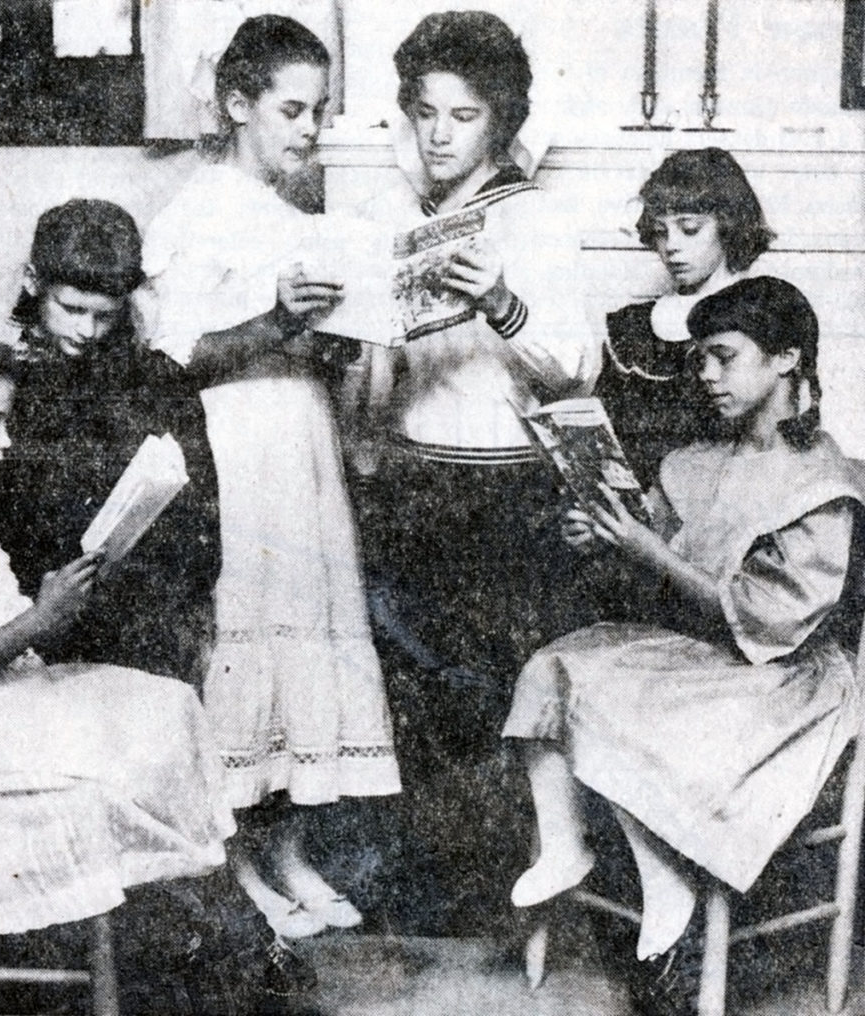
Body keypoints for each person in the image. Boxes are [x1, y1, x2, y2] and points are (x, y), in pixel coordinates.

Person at [0, 331, 306, 1013]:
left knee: (165, 704)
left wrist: (55, 606)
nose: (6, 442)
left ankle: (217, 938)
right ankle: (221, 950)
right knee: (120, 742)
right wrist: (45, 617)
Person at [502, 278, 863, 995]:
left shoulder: (824, 483)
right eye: (700, 360)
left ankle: (666, 879)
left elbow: (770, 619)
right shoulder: (698, 460)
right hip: (700, 654)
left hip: (780, 676)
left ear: (788, 359)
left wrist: (647, 550)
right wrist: (607, 537)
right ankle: (569, 848)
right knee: (554, 664)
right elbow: (667, 549)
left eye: (724, 358)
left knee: (644, 710)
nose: (707, 376)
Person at [142, 14, 401, 939]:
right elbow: (174, 362)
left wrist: (345, 331)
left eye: (320, 112)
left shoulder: (303, 222)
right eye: (291, 109)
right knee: (243, 636)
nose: (307, 129)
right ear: (236, 104)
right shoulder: (194, 213)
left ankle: (287, 847)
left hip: (302, 445)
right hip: (236, 450)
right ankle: (237, 863)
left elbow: (311, 347)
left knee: (304, 644)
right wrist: (276, 322)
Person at [345, 10, 596, 928]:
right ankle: (433, 896)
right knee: (415, 693)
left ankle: (500, 897)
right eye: (424, 113)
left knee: (495, 692)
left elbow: (572, 368)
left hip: (505, 491)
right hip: (414, 480)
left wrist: (499, 301)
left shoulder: (537, 219)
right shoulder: (408, 223)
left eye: (465, 115)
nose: (440, 135)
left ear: (504, 122)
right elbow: (387, 366)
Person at [0, 199, 219, 684]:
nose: (86, 330)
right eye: (70, 309)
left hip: (143, 626)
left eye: (105, 316)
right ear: (32, 281)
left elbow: (201, 525)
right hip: (32, 624)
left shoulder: (161, 383)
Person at [595, 147, 775, 489]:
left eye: (689, 228)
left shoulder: (759, 317)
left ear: (729, 225)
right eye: (661, 232)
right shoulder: (628, 327)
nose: (671, 246)